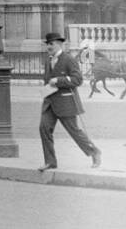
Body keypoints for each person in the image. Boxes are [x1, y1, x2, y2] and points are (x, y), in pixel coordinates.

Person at [39, 32, 102, 172]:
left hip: (66, 102)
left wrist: (59, 81)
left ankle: (94, 152)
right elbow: (47, 80)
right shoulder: (48, 60)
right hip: (49, 103)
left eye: (52, 44)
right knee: (44, 129)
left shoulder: (69, 59)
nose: (49, 46)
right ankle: (50, 162)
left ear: (59, 44)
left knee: (74, 131)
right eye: (48, 44)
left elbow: (78, 80)